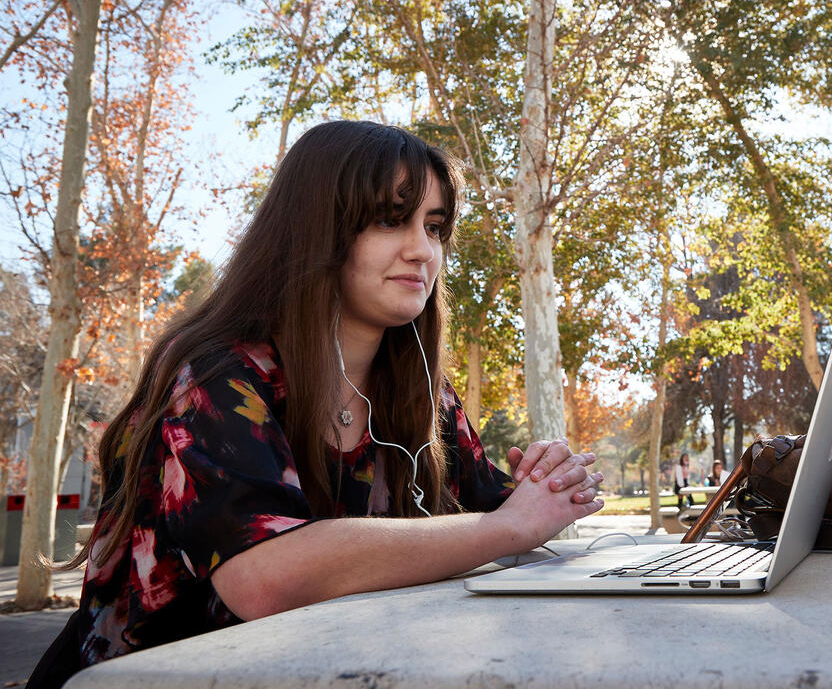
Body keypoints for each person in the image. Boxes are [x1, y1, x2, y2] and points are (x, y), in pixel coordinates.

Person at [30, 122, 603, 687]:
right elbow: (265, 576)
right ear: (314, 230)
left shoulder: (422, 394)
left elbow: (504, 510)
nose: (423, 250)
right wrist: (511, 527)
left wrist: (552, 483)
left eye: (434, 226)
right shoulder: (214, 372)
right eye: (389, 219)